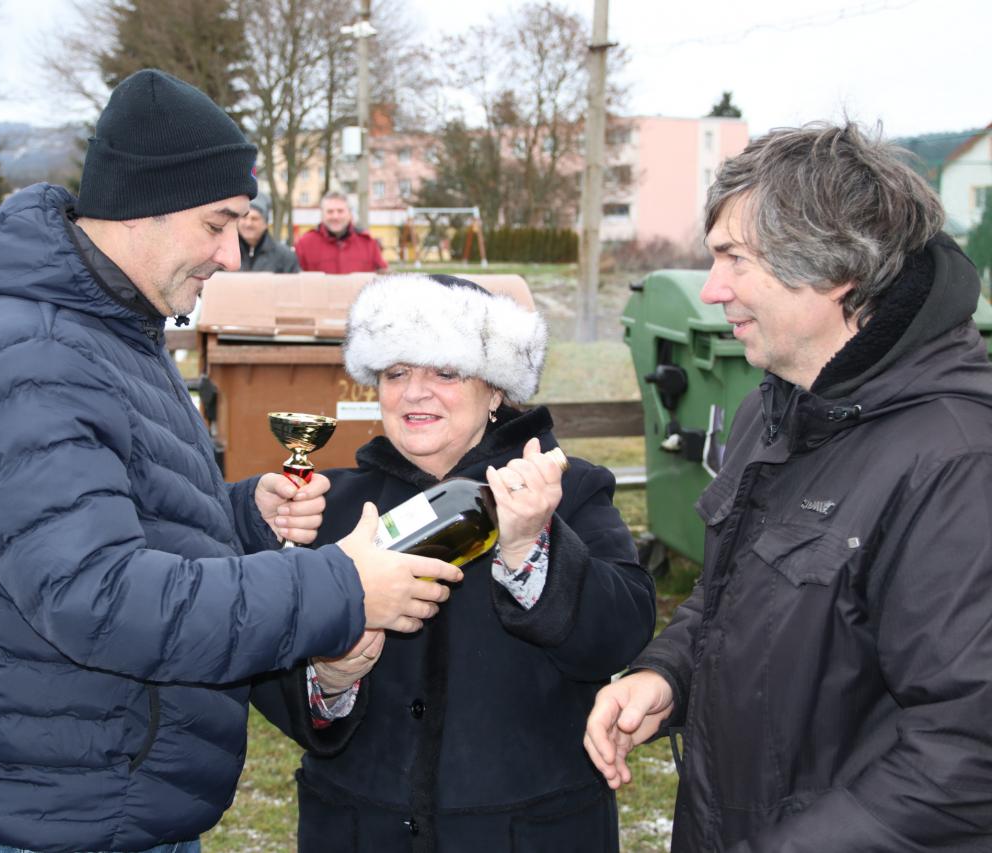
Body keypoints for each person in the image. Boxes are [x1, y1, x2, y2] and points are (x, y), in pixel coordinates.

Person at [0, 69, 462, 853]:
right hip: (64, 817)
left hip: (111, 794)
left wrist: (242, 513)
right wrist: (341, 586)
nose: (233, 254)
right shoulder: (30, 353)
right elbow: (96, 595)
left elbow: (118, 513)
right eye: (217, 224)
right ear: (144, 205)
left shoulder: (110, 328)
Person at [584, 122, 992, 852]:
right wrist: (668, 674)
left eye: (734, 259)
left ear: (834, 266)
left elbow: (966, 754)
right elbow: (734, 596)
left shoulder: (959, 463)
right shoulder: (776, 408)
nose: (712, 289)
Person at [253, 273, 657, 852]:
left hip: (527, 836)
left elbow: (619, 635)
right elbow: (266, 663)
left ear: (495, 391)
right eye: (396, 372)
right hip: (362, 833)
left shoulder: (567, 491)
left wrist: (530, 546)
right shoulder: (332, 506)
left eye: (445, 372)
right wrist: (328, 681)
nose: (415, 393)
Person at [295, 191, 389, 273]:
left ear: (349, 213)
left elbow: (382, 278)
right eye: (330, 212)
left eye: (340, 211)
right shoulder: (305, 244)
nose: (335, 217)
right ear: (322, 214)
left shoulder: (368, 244)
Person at [237, 193, 299, 272]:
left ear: (265, 224)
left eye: (254, 219)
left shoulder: (285, 257)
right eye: (244, 217)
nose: (248, 224)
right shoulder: (225, 255)